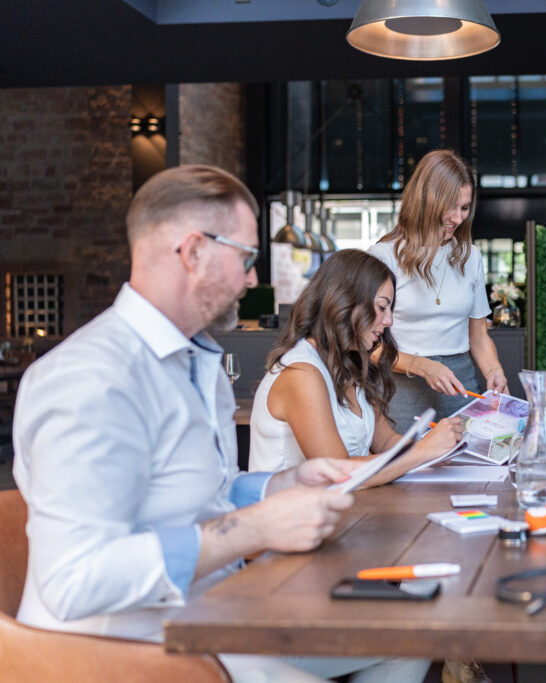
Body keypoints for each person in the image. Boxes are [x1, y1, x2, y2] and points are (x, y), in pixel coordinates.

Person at [12, 165, 430, 683]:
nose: (254, 279)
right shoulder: (92, 379)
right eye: (246, 258)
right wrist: (256, 527)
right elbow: (73, 579)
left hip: (216, 618)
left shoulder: (197, 359)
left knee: (409, 636)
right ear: (192, 251)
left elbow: (197, 495)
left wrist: (281, 486)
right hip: (123, 654)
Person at [248, 248, 462, 480]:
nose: (389, 320)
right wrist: (423, 450)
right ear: (345, 302)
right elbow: (337, 472)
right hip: (291, 513)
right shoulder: (301, 372)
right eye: (382, 307)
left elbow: (386, 441)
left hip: (344, 509)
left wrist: (438, 451)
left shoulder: (353, 362)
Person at [368, 150, 508, 433]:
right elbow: (369, 346)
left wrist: (494, 371)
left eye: (465, 208)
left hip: (461, 388)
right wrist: (422, 366)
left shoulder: (471, 257)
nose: (457, 218)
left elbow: (478, 335)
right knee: (406, 471)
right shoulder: (384, 256)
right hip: (402, 388)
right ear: (424, 201)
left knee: (468, 471)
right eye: (450, 207)